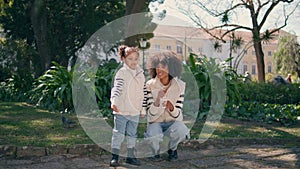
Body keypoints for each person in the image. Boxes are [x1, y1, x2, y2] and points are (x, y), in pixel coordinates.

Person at [144, 51, 190, 161]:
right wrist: (157, 101)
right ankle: (155, 151)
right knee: (153, 134)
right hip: (155, 122)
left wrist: (171, 107)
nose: (159, 70)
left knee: (181, 130)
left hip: (172, 121)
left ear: (171, 68)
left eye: (163, 66)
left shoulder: (180, 86)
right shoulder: (149, 85)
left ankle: (172, 149)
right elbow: (150, 116)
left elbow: (179, 116)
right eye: (157, 67)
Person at [109, 45, 145, 167]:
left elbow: (143, 92)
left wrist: (143, 108)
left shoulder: (141, 74)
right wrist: (114, 102)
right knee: (118, 133)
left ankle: (130, 156)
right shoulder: (122, 73)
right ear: (123, 59)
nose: (133, 61)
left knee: (132, 134)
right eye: (130, 59)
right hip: (122, 110)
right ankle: (115, 157)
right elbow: (117, 89)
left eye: (136, 59)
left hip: (134, 111)